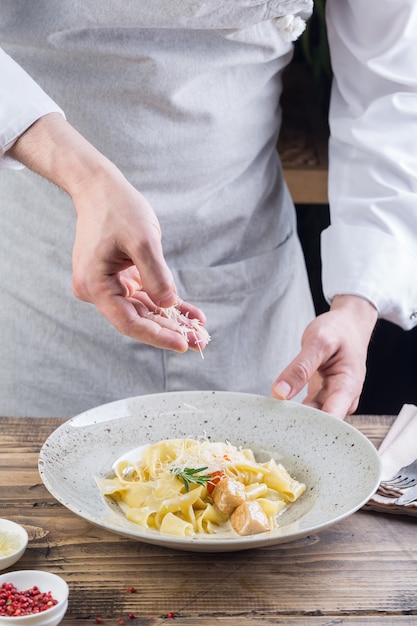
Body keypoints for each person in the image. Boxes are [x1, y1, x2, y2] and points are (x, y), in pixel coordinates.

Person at [0, 1, 415, 420]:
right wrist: (86, 179)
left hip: (250, 286)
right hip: (36, 280)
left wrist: (357, 306)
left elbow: (392, 83)